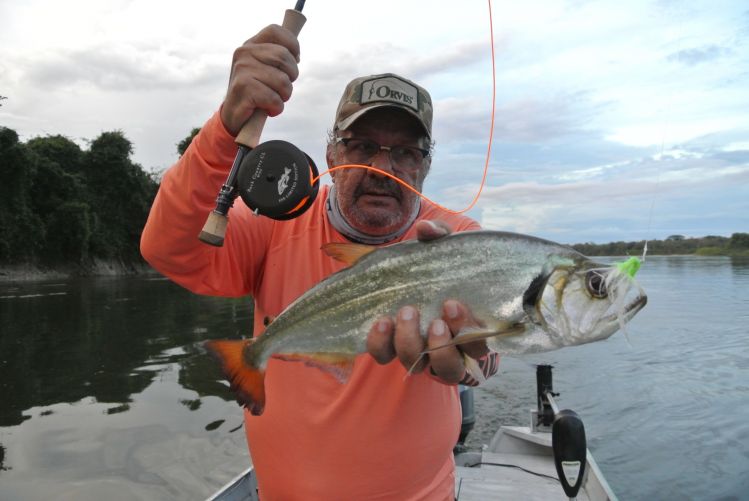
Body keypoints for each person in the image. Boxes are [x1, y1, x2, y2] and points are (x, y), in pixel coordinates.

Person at [141, 24, 499, 500]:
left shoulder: (461, 241)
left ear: (425, 166)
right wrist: (227, 127)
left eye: (406, 152)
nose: (383, 168)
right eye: (363, 146)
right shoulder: (274, 221)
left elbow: (490, 354)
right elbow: (169, 249)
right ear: (331, 151)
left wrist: (466, 362)